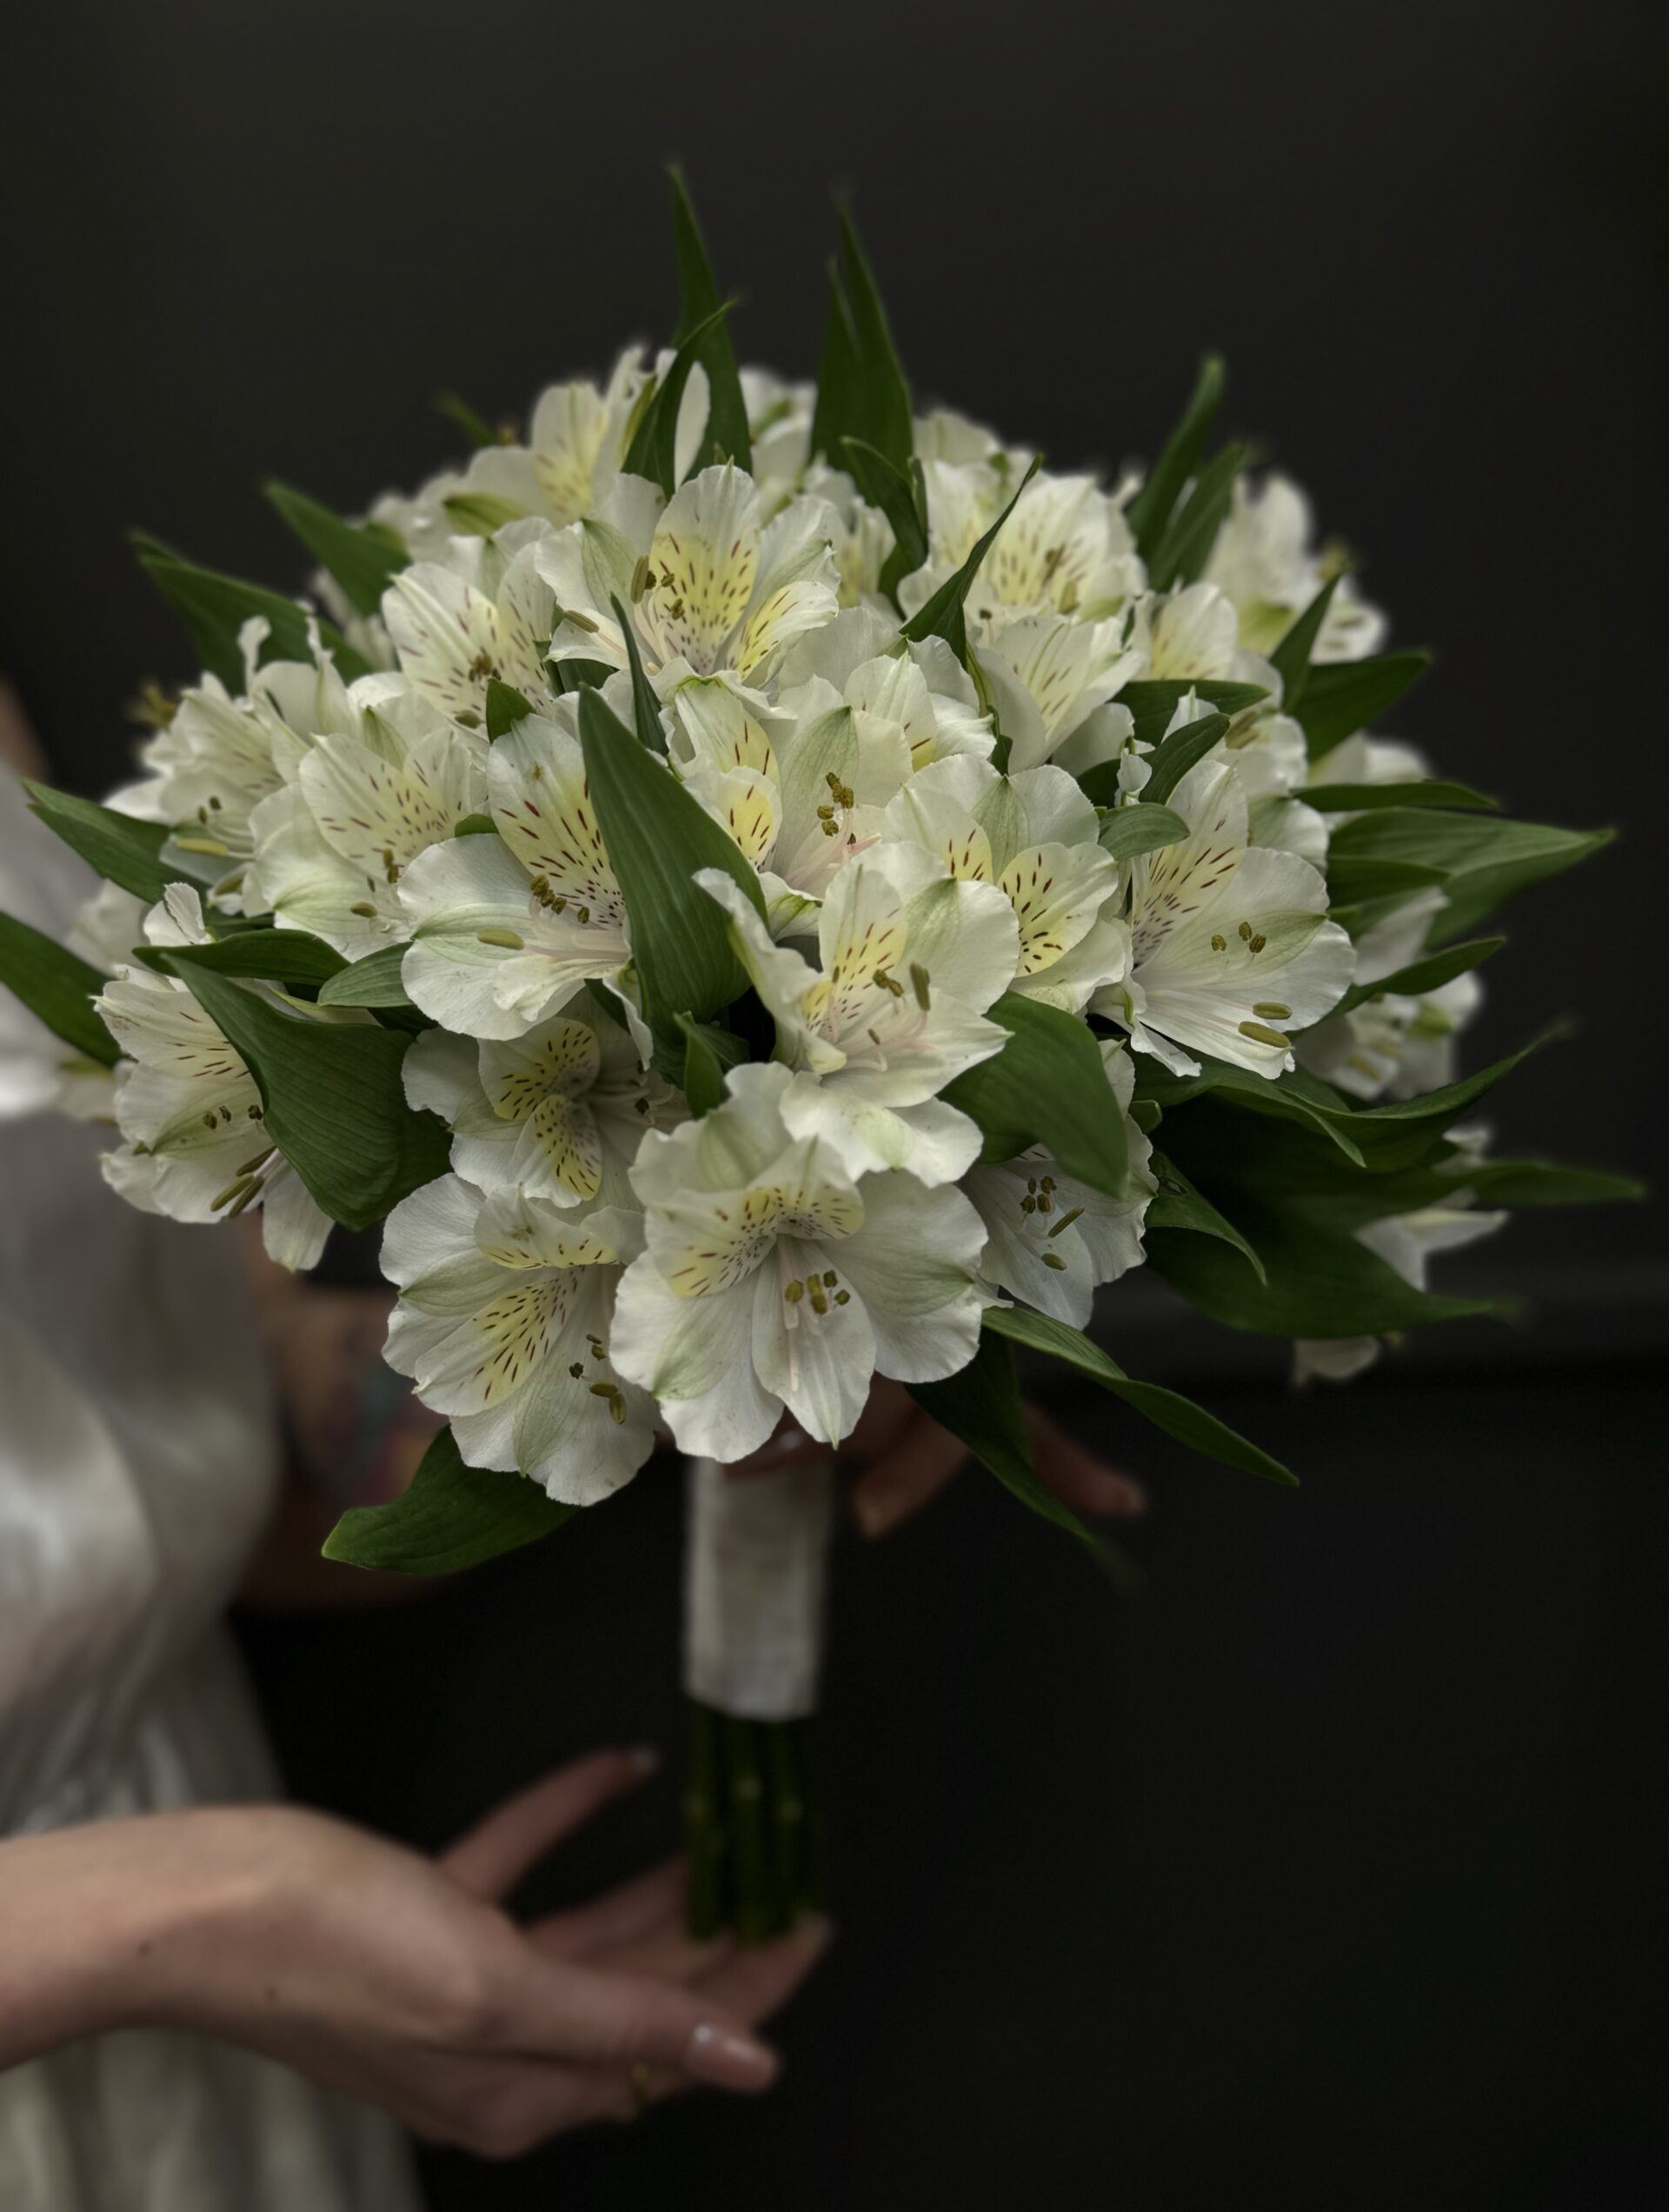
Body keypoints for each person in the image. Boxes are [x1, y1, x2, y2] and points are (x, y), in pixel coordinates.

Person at [0, 710, 1143, 2201]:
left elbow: (173, 1419)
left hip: (197, 1936)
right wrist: (217, 1914)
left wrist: (749, 1338)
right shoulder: (225, 1910)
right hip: (185, 1944)